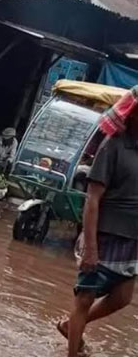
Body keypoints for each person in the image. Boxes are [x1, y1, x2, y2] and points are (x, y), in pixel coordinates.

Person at [58, 100, 138, 357]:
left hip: (131, 238)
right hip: (103, 235)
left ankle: (71, 327)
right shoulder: (112, 146)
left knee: (123, 297)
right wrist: (91, 248)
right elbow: (92, 199)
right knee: (84, 300)